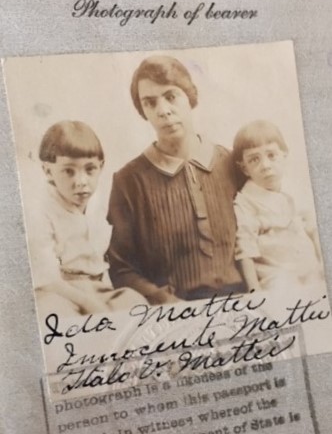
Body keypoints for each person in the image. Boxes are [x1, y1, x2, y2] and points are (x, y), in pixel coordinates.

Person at [107, 55, 244, 304]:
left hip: (245, 303)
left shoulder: (230, 163)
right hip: (175, 313)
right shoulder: (129, 181)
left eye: (171, 96)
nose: (163, 111)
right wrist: (165, 301)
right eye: (150, 103)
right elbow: (121, 269)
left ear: (189, 98)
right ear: (143, 111)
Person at [29, 120, 143, 318]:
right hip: (58, 292)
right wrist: (95, 307)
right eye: (68, 171)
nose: (81, 182)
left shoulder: (99, 202)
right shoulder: (40, 212)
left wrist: (102, 301)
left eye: (90, 170)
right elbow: (48, 279)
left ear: (101, 166)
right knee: (56, 316)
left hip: (97, 288)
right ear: (48, 171)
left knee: (134, 303)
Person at [232, 120, 322, 291]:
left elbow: (313, 229)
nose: (265, 166)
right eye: (254, 160)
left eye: (271, 155)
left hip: (310, 270)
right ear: (244, 169)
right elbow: (245, 250)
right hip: (277, 278)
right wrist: (255, 292)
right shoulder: (246, 201)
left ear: (284, 156)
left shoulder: (294, 189)